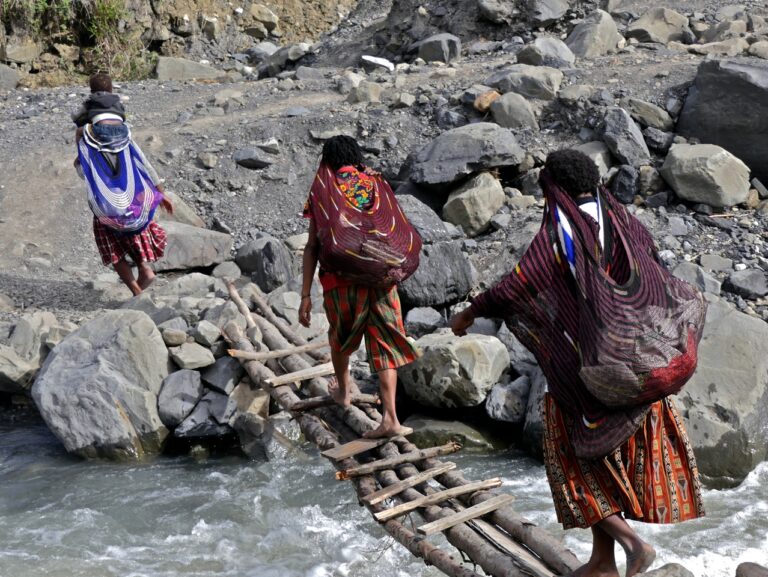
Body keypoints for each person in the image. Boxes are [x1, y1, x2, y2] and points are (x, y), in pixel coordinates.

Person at [450, 150, 704, 577]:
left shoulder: (563, 231)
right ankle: (602, 562)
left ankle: (632, 545)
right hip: (634, 366)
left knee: (571, 464)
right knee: (605, 460)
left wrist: (470, 312)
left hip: (586, 373)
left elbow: (522, 282)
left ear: (556, 188)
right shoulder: (624, 222)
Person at [299, 136, 419, 439]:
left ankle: (342, 389)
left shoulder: (324, 189)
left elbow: (313, 246)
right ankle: (391, 418)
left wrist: (304, 296)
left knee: (340, 337)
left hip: (341, 283)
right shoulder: (376, 183)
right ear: (357, 157)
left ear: (327, 161)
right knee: (386, 343)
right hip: (382, 280)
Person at [73, 73, 172, 296]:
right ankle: (145, 270)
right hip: (133, 197)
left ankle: (135, 291)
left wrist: (79, 163)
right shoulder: (124, 131)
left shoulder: (84, 132)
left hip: (106, 204)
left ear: (91, 92)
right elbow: (142, 161)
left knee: (113, 249)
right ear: (112, 91)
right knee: (133, 235)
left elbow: (84, 172)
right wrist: (161, 192)